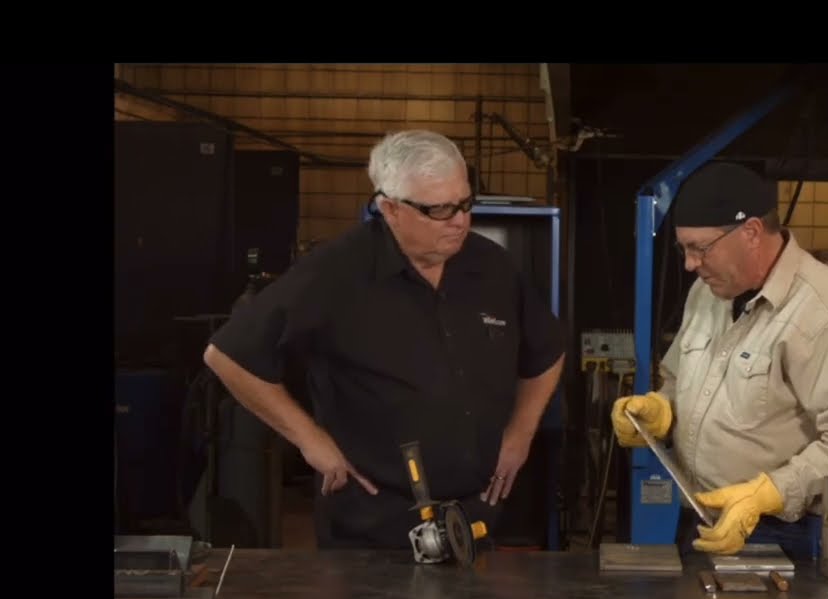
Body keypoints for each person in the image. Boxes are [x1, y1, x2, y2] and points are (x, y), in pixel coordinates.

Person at [203, 129, 565, 550]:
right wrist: (309, 439)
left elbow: (547, 350)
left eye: (465, 203)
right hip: (371, 523)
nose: (460, 220)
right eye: (439, 209)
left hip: (474, 515)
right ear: (390, 209)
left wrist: (520, 434)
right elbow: (228, 355)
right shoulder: (335, 272)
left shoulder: (493, 267)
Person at [611, 162, 828, 559]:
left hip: (785, 533)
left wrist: (770, 493)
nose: (690, 264)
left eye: (700, 248)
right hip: (702, 517)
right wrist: (662, 408)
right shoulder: (706, 294)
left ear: (752, 232)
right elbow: (677, 379)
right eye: (683, 249)